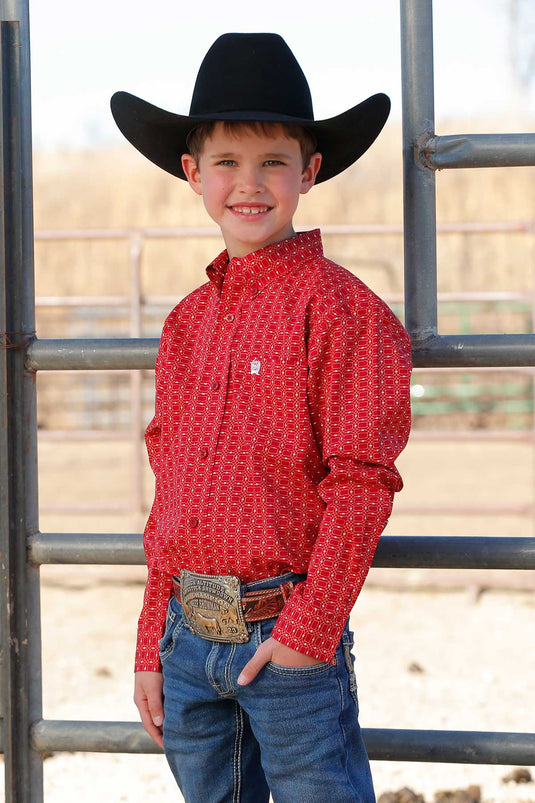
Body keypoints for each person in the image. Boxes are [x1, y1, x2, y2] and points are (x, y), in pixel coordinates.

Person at [111, 32, 412, 803]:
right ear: (193, 174)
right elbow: (169, 491)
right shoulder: (184, 325)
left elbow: (360, 483)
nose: (250, 183)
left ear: (309, 171)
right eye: (226, 163)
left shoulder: (347, 314)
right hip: (188, 635)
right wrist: (153, 640)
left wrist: (307, 633)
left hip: (286, 632)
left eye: (272, 161)